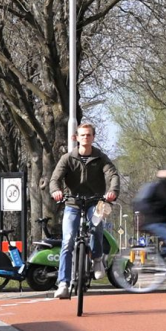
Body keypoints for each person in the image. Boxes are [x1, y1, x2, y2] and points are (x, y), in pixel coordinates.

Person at [50, 123, 120, 299]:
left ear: (93, 137)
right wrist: (56, 191)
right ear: (76, 137)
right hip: (73, 203)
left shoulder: (100, 157)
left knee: (97, 226)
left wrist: (112, 191)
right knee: (67, 241)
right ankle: (63, 283)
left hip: (95, 202)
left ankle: (97, 259)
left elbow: (112, 175)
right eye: (82, 135)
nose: (85, 138)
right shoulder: (67, 158)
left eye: (89, 135)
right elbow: (55, 179)